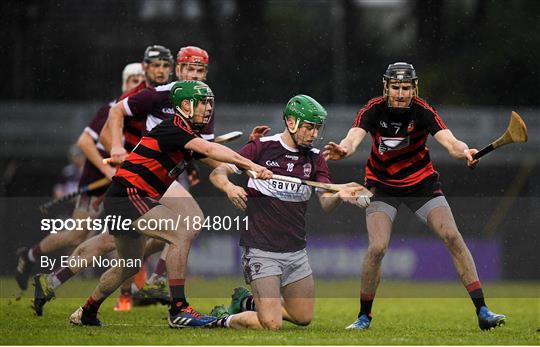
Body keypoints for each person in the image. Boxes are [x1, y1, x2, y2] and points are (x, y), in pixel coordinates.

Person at [69, 80, 273, 328]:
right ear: (185, 106)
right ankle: (178, 310)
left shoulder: (186, 136)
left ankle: (87, 312)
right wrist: (251, 165)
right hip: (129, 196)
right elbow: (209, 148)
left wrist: (250, 155)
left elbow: (219, 159)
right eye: (203, 103)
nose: (208, 109)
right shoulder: (175, 129)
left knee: (128, 266)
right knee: (180, 231)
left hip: (125, 198)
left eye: (210, 103)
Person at [323, 62, 506, 331]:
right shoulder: (373, 110)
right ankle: (364, 316)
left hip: (421, 184)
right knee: (377, 248)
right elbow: (353, 138)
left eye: (406, 88)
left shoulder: (422, 111)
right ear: (385, 87)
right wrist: (344, 150)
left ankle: (483, 310)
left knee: (453, 237)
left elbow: (450, 142)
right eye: (395, 87)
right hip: (382, 186)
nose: (400, 93)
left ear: (414, 88)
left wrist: (465, 151)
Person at [207, 95, 370, 330]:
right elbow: (217, 173)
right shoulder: (261, 147)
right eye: (309, 127)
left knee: (302, 317)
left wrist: (339, 196)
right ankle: (221, 319)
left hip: (295, 251)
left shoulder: (315, 159)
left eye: (317, 128)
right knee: (272, 325)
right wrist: (230, 188)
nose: (314, 134)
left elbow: (325, 202)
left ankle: (245, 302)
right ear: (292, 122)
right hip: (261, 248)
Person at [28, 52, 170, 315]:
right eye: (154, 66)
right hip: (128, 182)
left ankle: (54, 281)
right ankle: (154, 285)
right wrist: (120, 159)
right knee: (177, 226)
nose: (160, 71)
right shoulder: (134, 99)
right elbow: (99, 137)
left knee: (110, 243)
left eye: (165, 66)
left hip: (138, 181)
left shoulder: (162, 98)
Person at [16, 61, 144, 299]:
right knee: (77, 234)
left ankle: (127, 293)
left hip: (122, 183)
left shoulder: (145, 113)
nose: (136, 86)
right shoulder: (112, 109)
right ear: (124, 84)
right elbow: (84, 143)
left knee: (123, 234)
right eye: (132, 81)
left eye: (140, 81)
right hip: (99, 179)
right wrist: (108, 173)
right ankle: (30, 256)